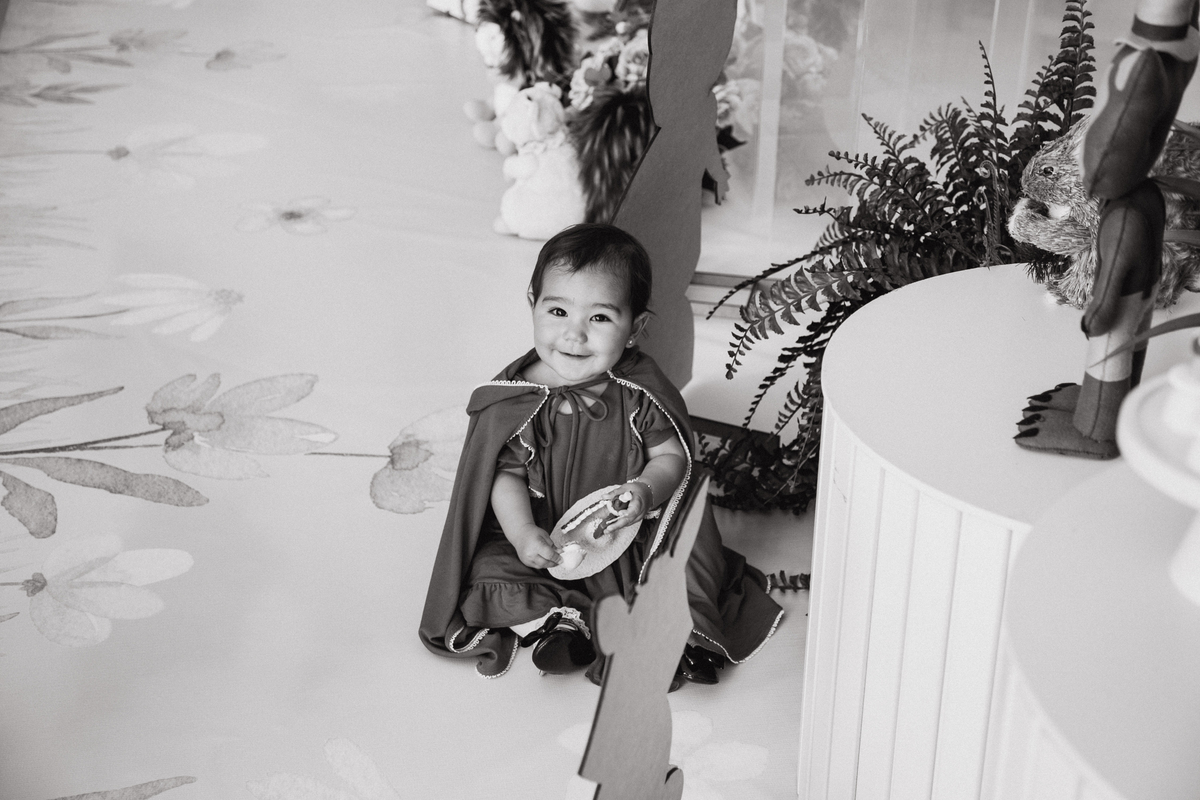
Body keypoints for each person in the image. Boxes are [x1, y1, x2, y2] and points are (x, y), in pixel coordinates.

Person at [419, 223, 783, 685]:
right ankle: (558, 625)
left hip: (625, 534)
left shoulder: (636, 394)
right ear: (532, 304)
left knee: (686, 532)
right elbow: (505, 477)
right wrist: (523, 533)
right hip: (549, 536)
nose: (574, 335)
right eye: (557, 311)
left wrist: (645, 491)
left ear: (635, 329)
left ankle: (682, 635)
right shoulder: (516, 399)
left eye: (600, 319)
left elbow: (672, 458)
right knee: (490, 571)